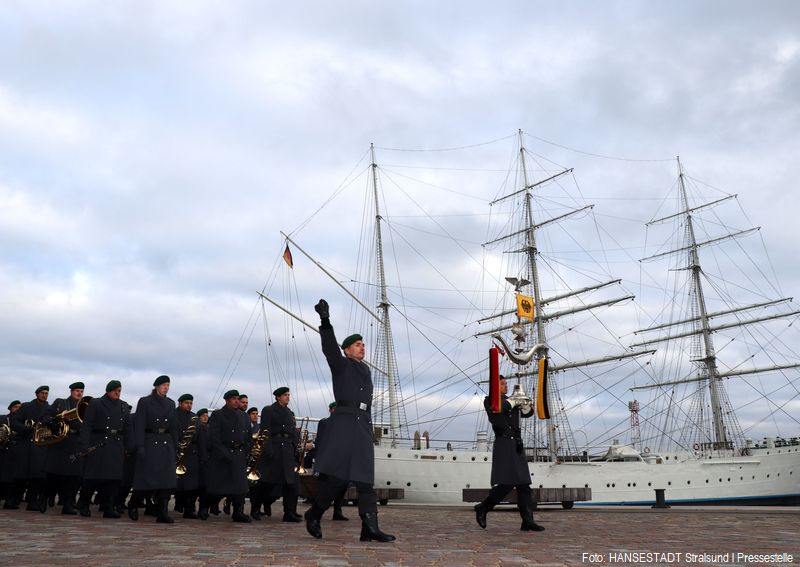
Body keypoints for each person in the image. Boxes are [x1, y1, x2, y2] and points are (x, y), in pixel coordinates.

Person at [304, 299, 395, 542]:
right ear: (346, 350)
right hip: (344, 423)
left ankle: (369, 527)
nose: (362, 347)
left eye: (363, 344)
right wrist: (325, 320)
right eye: (357, 345)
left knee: (365, 478)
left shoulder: (365, 370)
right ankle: (314, 514)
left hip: (363, 424)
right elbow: (329, 349)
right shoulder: (341, 365)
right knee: (337, 479)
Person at [474, 376, 544, 532]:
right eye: (502, 384)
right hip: (504, 443)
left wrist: (526, 404)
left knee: (524, 484)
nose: (506, 386)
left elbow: (527, 414)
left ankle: (527, 521)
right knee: (506, 483)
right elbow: (501, 409)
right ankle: (484, 507)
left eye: (506, 383)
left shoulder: (509, 400)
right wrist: (515, 400)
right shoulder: (491, 401)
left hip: (516, 444)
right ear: (495, 386)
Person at [77, 380, 133, 518]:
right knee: (92, 477)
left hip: (116, 444)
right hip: (99, 443)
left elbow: (128, 428)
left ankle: (108, 507)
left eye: (119, 390)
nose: (117, 393)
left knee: (113, 479)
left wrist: (129, 446)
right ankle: (84, 503)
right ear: (108, 391)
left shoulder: (124, 406)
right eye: (115, 390)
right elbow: (87, 425)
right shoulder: (96, 403)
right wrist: (84, 445)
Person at [130, 375, 178, 523]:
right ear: (157, 386)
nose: (166, 388)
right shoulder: (145, 402)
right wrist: (140, 445)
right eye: (164, 385)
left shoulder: (170, 403)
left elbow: (173, 427)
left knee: (167, 480)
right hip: (150, 441)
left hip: (166, 443)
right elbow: (139, 425)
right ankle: (133, 503)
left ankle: (162, 512)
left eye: (168, 385)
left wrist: (175, 445)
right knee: (146, 478)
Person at [258, 386, 306, 523]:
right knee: (269, 484)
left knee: (292, 483)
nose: (288, 397)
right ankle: (261, 504)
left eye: (288, 395)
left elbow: (292, 432)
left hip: (288, 450)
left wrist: (297, 450)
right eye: (285, 395)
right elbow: (265, 431)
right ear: (278, 397)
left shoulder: (289, 412)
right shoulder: (269, 410)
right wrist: (268, 450)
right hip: (275, 448)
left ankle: (289, 512)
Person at [207, 389, 252, 522]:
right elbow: (214, 437)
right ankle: (207, 506)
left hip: (239, 454)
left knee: (240, 487)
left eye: (237, 398)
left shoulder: (243, 416)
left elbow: (248, 436)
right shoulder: (218, 415)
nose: (236, 401)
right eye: (233, 399)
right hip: (224, 455)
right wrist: (224, 454)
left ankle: (238, 512)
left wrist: (246, 451)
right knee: (218, 486)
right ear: (227, 400)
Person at [42, 382, 87, 515]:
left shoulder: (85, 406)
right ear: (71, 391)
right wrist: (51, 422)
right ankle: (44, 498)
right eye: (77, 391)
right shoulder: (60, 403)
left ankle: (67, 505)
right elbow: (45, 415)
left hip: (76, 443)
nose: (79, 393)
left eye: (81, 391)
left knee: (74, 477)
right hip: (60, 444)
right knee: (54, 476)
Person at [10, 385, 50, 512]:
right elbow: (14, 421)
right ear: (37, 394)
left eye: (46, 393)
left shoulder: (49, 408)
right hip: (25, 445)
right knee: (20, 475)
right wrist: (26, 429)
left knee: (37, 476)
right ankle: (13, 500)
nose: (44, 395)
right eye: (42, 393)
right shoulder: (26, 406)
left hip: (40, 446)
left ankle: (32, 502)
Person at [314, 402, 349, 521]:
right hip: (328, 459)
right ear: (330, 410)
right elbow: (319, 441)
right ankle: (317, 511)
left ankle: (337, 511)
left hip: (341, 459)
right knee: (325, 486)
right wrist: (319, 458)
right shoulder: (324, 423)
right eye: (335, 409)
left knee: (342, 486)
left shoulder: (345, 424)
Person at [174, 393, 200, 519]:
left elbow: (200, 436)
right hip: (177, 451)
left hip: (191, 453)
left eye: (190, 403)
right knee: (176, 483)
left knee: (191, 485)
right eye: (186, 403)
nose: (189, 405)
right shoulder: (173, 415)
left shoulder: (194, 417)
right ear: (180, 403)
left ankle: (189, 509)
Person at [0, 400, 22, 509]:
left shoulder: (22, 421)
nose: (18, 409)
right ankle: (8, 501)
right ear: (10, 408)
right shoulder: (3, 418)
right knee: (6, 477)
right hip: (5, 451)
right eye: (15, 407)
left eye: (19, 407)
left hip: (18, 451)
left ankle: (11, 500)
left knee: (14, 478)